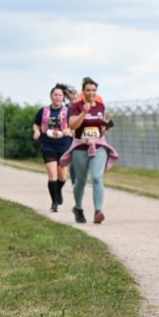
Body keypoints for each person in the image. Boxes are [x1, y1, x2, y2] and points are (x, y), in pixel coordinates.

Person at [60, 78, 119, 224]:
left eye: (93, 90)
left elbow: (100, 124)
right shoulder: (76, 106)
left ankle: (98, 211)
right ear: (83, 91)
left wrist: (105, 125)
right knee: (81, 180)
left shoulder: (100, 106)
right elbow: (73, 125)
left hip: (98, 146)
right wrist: (83, 113)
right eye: (88, 90)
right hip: (80, 147)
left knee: (97, 178)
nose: (91, 93)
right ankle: (78, 209)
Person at [33, 85, 74, 212]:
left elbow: (75, 127)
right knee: (52, 174)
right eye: (55, 94)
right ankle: (54, 203)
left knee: (62, 177)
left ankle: (58, 190)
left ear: (63, 98)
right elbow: (36, 124)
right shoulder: (43, 111)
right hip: (47, 144)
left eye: (60, 95)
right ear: (51, 96)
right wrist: (37, 132)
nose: (57, 97)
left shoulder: (68, 111)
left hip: (64, 145)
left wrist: (70, 132)